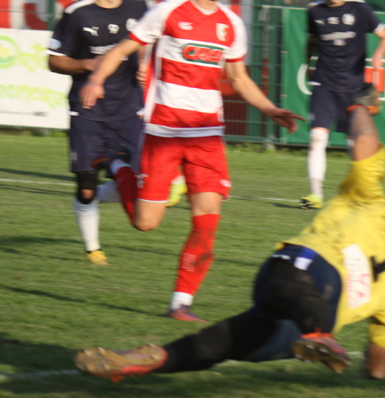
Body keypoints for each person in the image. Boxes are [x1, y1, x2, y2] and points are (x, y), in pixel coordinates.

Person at [75, 94, 385, 382]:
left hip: (299, 270)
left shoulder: (372, 199)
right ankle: (318, 333)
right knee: (225, 347)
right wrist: (372, 363)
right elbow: (378, 368)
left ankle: (150, 358)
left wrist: (357, 105)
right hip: (302, 325)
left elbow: (365, 138)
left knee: (227, 337)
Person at [80, 0, 305, 321]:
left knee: (207, 221)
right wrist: (96, 80)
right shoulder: (169, 10)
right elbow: (121, 50)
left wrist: (270, 109)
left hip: (207, 136)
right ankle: (119, 166)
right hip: (164, 132)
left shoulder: (231, 23)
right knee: (145, 223)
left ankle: (180, 303)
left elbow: (239, 78)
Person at [49, 0, 165, 266]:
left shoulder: (139, 7)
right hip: (87, 108)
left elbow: (147, 41)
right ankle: (93, 250)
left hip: (128, 108)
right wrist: (90, 65)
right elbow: (54, 61)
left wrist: (143, 63)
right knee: (85, 189)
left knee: (138, 182)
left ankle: (102, 187)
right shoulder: (77, 13)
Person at [301, 0, 385, 210]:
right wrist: (307, 65)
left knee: (355, 145)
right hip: (324, 86)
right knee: (317, 138)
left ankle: (359, 193)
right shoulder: (315, 10)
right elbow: (311, 41)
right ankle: (315, 194)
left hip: (354, 89)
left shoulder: (359, 8)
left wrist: (379, 53)